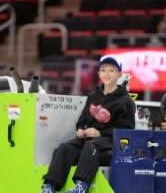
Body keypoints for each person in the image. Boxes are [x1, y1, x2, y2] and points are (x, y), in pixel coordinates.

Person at [41, 56, 136, 193]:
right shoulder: (93, 96)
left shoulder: (125, 101)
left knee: (91, 145)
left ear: (119, 74)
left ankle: (82, 186)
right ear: (99, 73)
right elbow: (82, 119)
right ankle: (50, 186)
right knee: (64, 148)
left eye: (111, 70)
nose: (107, 74)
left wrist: (100, 133)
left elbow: (126, 130)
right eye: (103, 70)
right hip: (89, 140)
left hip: (111, 140)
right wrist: (80, 129)